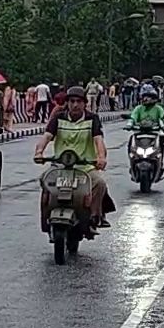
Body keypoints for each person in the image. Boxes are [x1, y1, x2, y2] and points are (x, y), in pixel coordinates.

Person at [33, 85, 110, 231]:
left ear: (84, 103)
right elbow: (46, 137)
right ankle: (46, 217)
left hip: (85, 167)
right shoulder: (58, 118)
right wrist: (39, 152)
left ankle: (94, 216)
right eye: (72, 101)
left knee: (99, 183)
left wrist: (101, 158)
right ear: (67, 103)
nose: (75, 105)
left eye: (79, 101)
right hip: (60, 167)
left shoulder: (92, 119)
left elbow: (98, 140)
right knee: (44, 179)